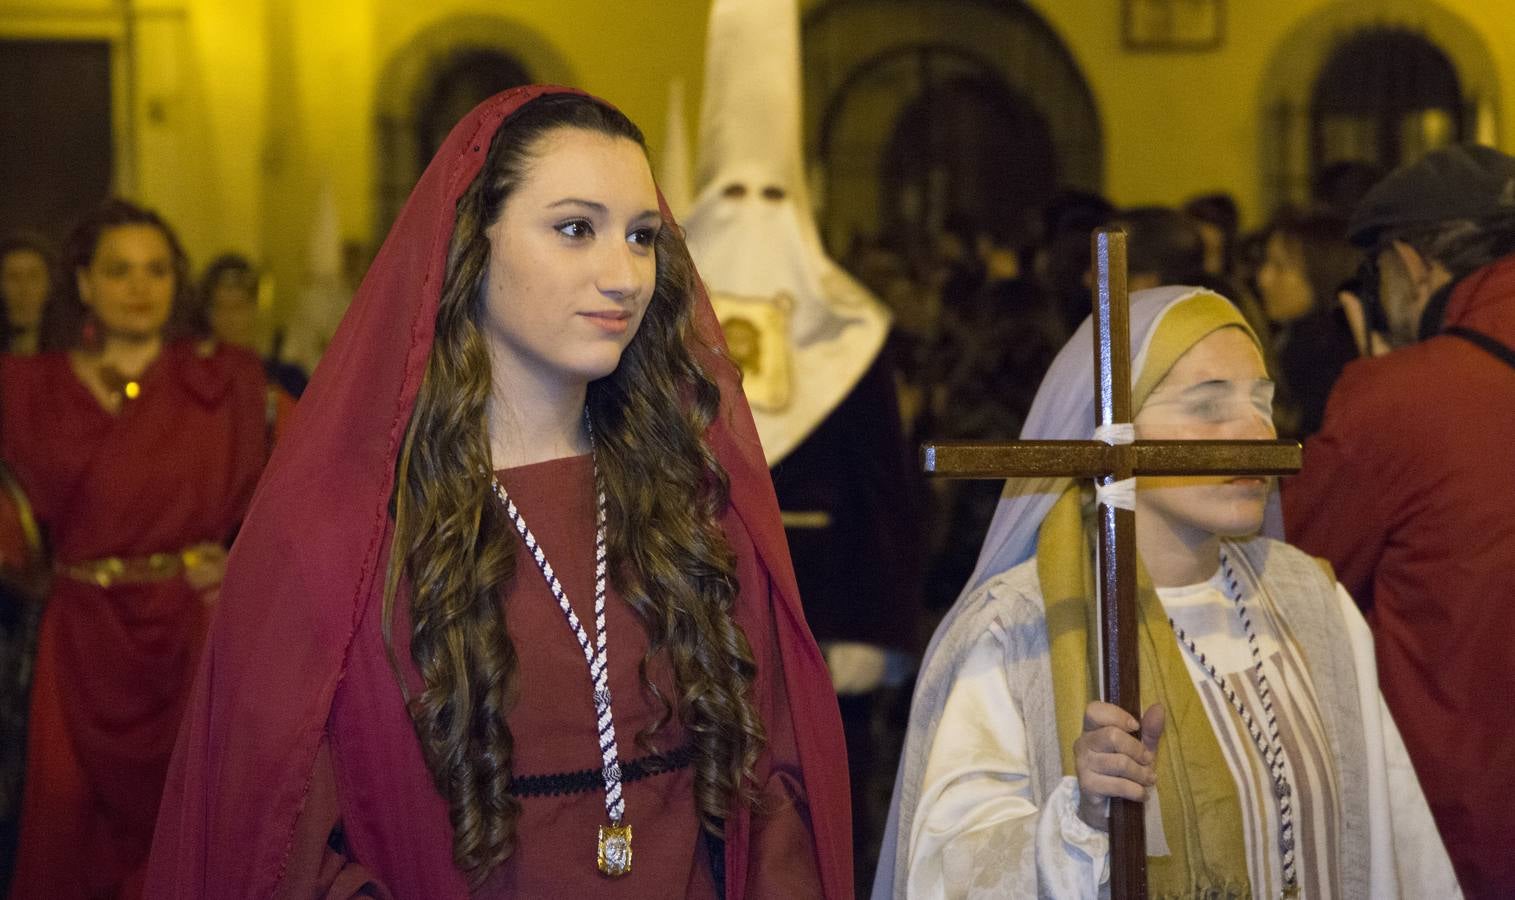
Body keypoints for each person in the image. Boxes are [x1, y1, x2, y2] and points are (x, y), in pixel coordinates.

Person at [146, 87, 852, 899]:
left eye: (643, 237)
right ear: (471, 244)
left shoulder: (692, 504)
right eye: (575, 229)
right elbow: (281, 840)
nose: (623, 275)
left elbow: (772, 788)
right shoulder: (343, 534)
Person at [873, 286, 1458, 899]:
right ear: (1108, 432)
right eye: (1208, 406)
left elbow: (1399, 848)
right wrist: (1078, 821)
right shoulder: (1017, 631)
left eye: (1264, 402)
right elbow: (946, 873)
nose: (1256, 432)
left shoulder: (1311, 602)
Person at [681, 1, 921, 888]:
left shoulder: (851, 330)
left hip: (824, 618)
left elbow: (886, 494)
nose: (752, 218)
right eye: (732, 196)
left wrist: (872, 625)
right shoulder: (647, 319)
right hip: (688, 616)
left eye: (769, 195)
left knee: (817, 818)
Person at [1, 199, 269, 898]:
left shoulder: (230, 382)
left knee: (188, 826)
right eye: (119, 271)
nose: (140, 286)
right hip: (81, 639)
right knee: (69, 827)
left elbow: (304, 498)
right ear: (84, 282)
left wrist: (240, 561)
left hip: (188, 630)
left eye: (156, 270)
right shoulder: (26, 389)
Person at [1283, 144, 1515, 899]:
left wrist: (1374, 382)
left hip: (1464, 826)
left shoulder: (1399, 398)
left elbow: (1291, 574)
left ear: (1411, 263)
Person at [1254, 213, 1360, 438]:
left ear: (1321, 272)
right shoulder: (1289, 336)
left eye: (1280, 267)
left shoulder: (1323, 357)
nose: (1263, 277)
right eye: (1266, 262)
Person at [0, 234, 53, 356]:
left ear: (49, 284)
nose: (24, 289)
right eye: (13, 277)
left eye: (33, 277)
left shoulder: (71, 353)